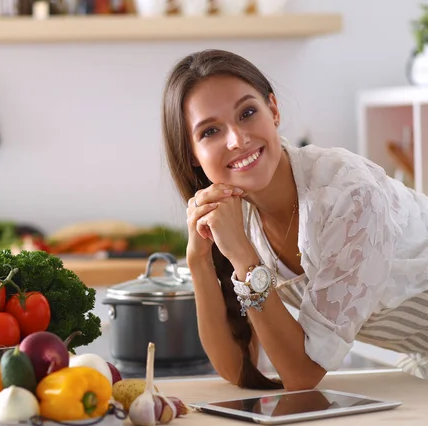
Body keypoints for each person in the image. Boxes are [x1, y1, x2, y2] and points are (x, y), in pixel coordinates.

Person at [161, 49, 428, 391]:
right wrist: (198, 261)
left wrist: (243, 257)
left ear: (273, 110)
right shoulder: (235, 213)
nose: (237, 139)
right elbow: (238, 368)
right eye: (210, 131)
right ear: (191, 154)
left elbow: (302, 375)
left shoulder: (348, 197)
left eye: (247, 112)